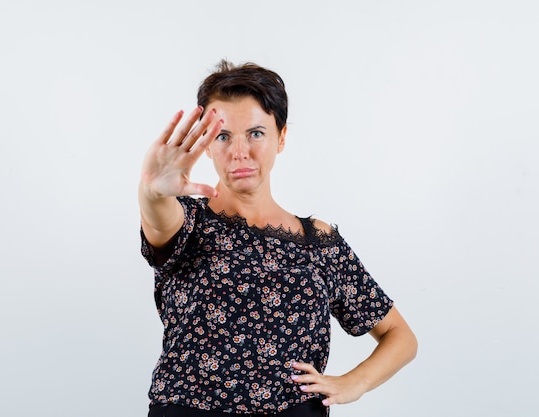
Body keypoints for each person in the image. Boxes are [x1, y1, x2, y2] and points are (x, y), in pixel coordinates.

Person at [138, 60, 417, 417]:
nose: (239, 152)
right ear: (206, 145)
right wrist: (151, 191)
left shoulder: (317, 241)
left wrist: (353, 383)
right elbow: (158, 220)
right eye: (223, 136)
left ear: (280, 138)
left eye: (255, 133)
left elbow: (400, 336)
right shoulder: (187, 222)